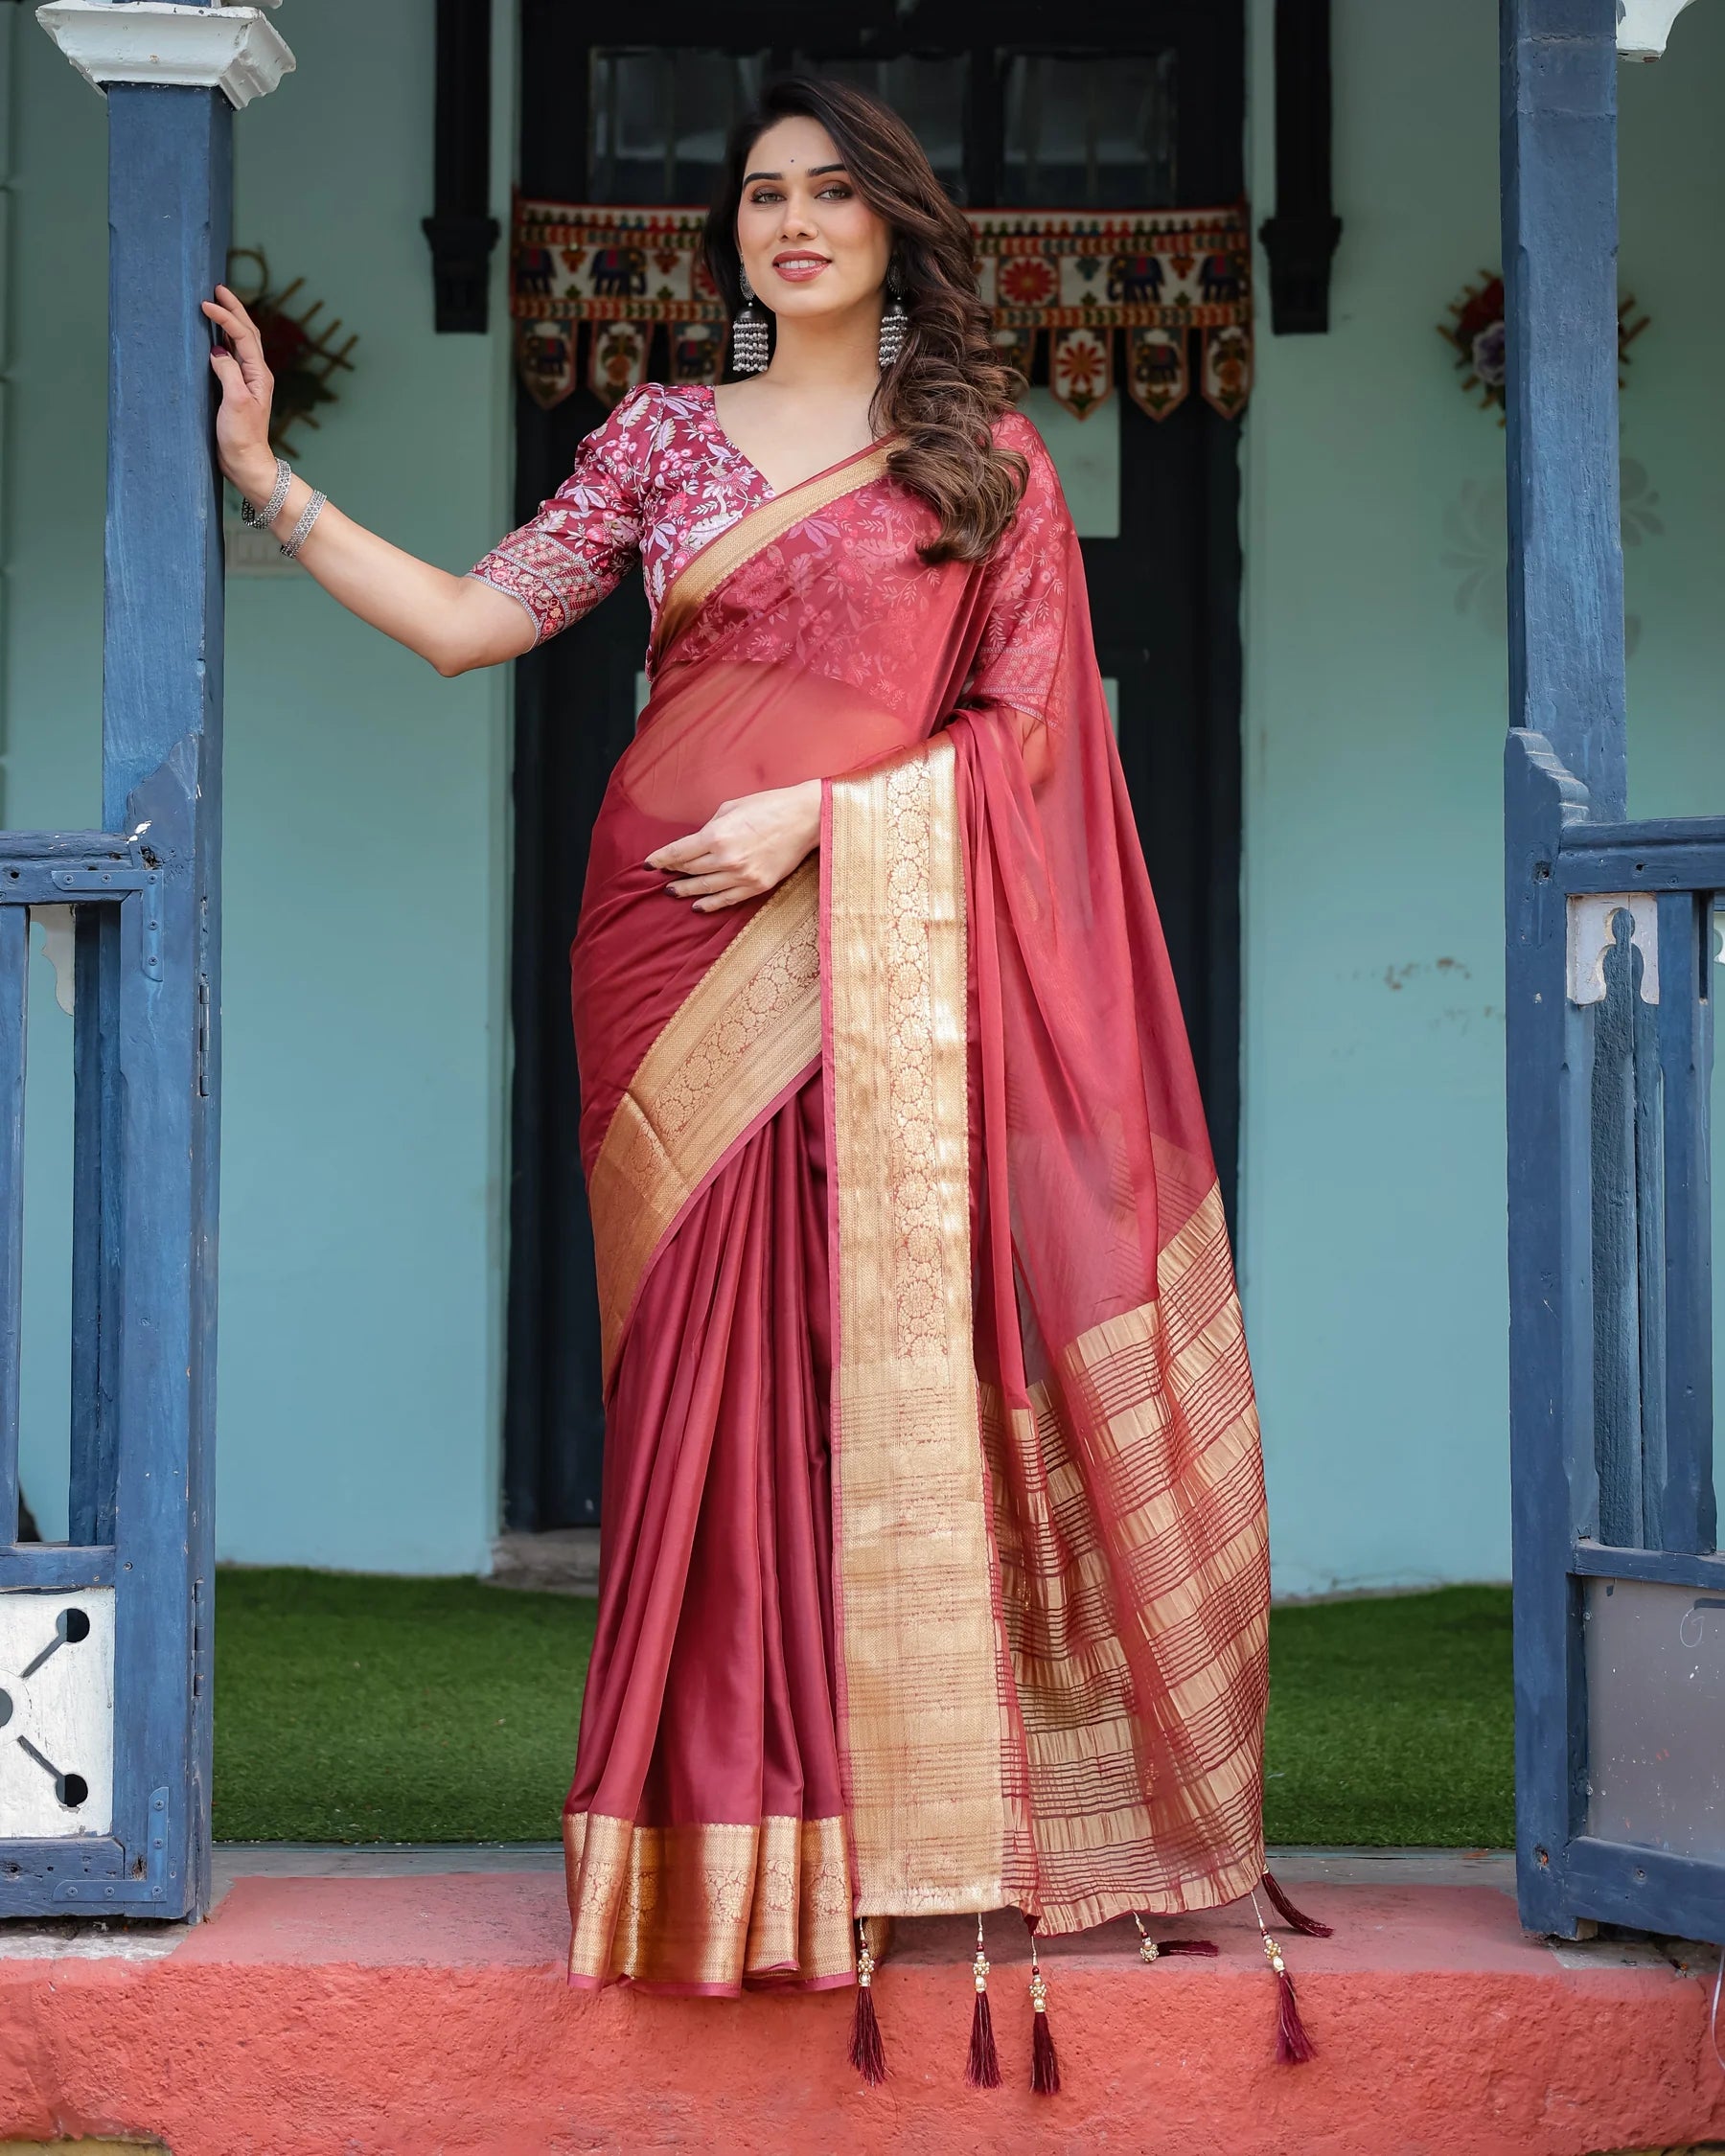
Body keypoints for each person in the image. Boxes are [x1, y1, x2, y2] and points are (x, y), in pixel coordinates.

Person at [206, 73, 1302, 2078]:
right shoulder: (658, 439)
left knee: (862, 1366)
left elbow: (1031, 739)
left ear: (894, 228)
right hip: (661, 949)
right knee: (698, 1385)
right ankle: (712, 1837)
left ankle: (890, 1835)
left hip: (860, 945)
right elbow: (470, 623)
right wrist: (271, 479)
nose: (792, 223)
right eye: (763, 195)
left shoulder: (980, 460)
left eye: (833, 193)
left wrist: (826, 825)